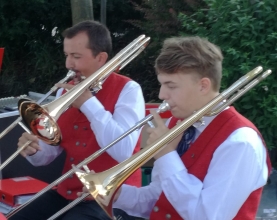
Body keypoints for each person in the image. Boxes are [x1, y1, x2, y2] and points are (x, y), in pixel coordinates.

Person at [110, 36, 271, 219]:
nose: (162, 94)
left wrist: (165, 154)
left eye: (171, 86)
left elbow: (207, 216)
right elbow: (160, 200)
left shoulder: (241, 142)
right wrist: (117, 194)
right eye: (162, 84)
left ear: (203, 86)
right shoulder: (177, 124)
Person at [11, 20, 145, 220]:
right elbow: (50, 153)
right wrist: (33, 150)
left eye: (76, 56)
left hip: (112, 197)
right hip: (68, 191)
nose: (68, 64)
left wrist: (89, 104)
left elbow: (123, 151)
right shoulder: (65, 92)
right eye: (67, 55)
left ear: (100, 58)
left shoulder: (129, 90)